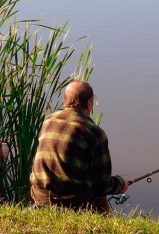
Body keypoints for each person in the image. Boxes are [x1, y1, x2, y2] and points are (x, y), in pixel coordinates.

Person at [30, 80, 129, 214]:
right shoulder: (95, 133)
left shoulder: (49, 120)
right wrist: (121, 184)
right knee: (98, 193)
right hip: (71, 201)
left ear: (65, 100)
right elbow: (102, 185)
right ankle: (104, 227)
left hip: (40, 195)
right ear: (89, 102)